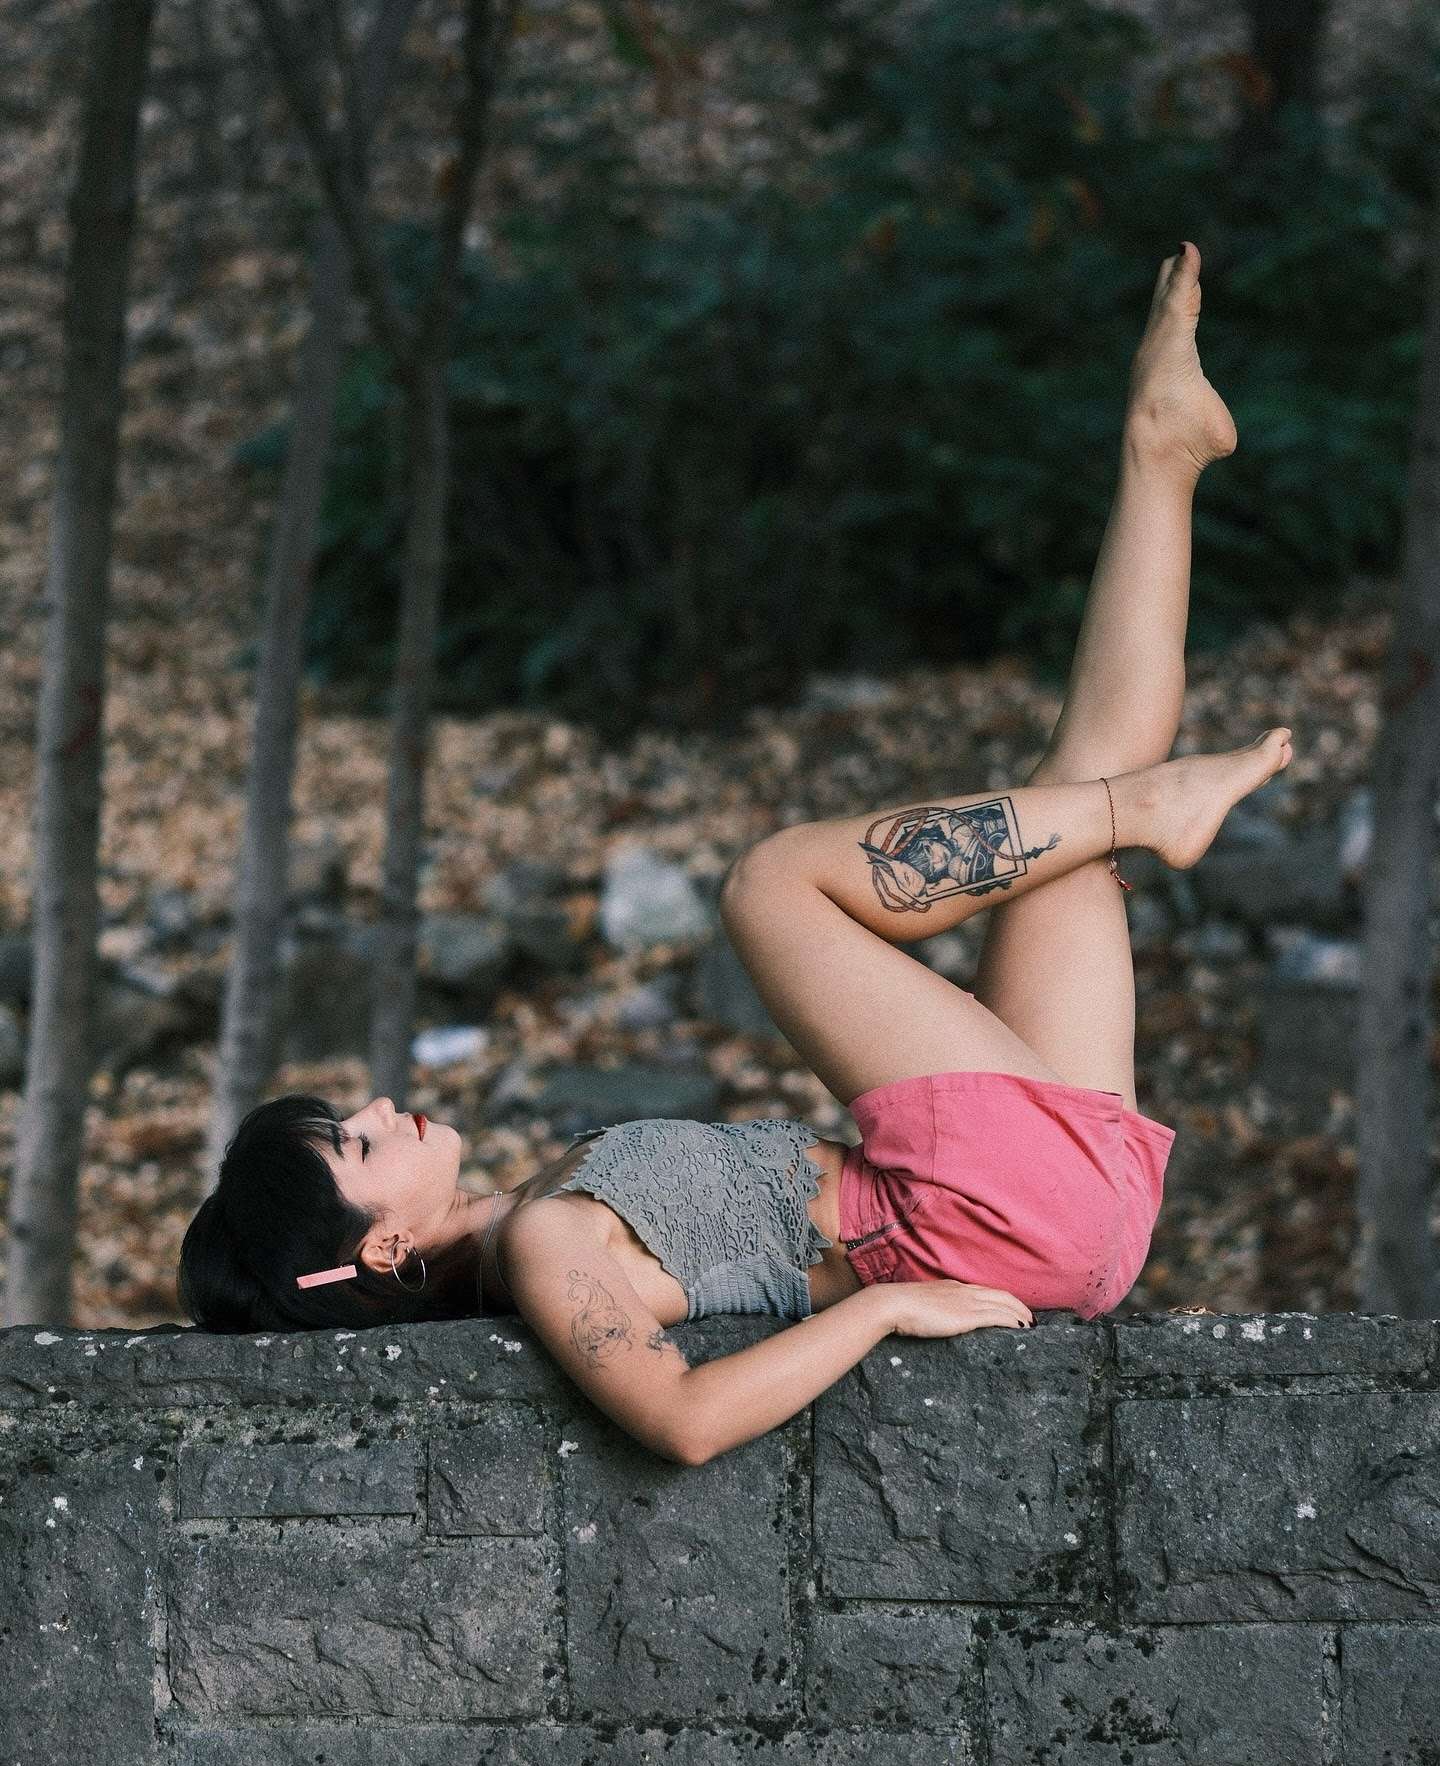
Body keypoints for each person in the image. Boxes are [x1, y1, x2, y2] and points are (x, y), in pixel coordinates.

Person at [179, 242, 1293, 1465]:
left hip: (1050, 1220)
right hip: (983, 1211)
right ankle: (1140, 807)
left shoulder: (532, 1218)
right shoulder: (539, 1247)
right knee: (771, 886)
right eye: (355, 1143)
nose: (381, 1109)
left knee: (1067, 802)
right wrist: (883, 1310)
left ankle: (1159, 452)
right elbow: (683, 1419)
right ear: (384, 1247)